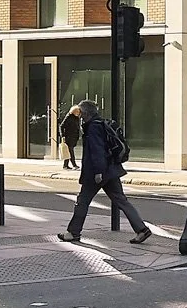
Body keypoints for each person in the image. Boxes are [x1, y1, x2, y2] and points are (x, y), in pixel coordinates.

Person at [56, 100, 150, 245]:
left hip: (97, 173)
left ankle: (73, 232)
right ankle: (141, 229)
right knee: (121, 201)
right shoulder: (101, 124)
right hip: (111, 170)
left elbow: (97, 151)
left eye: (81, 113)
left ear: (86, 113)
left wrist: (98, 172)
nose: (80, 116)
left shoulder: (93, 127)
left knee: (83, 201)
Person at [58, 105, 83, 170]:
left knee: (68, 151)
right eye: (78, 111)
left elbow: (77, 127)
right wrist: (62, 135)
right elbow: (61, 126)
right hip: (68, 137)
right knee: (70, 151)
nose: (79, 113)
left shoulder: (76, 118)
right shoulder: (69, 117)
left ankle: (65, 165)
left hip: (74, 137)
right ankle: (74, 165)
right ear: (74, 111)